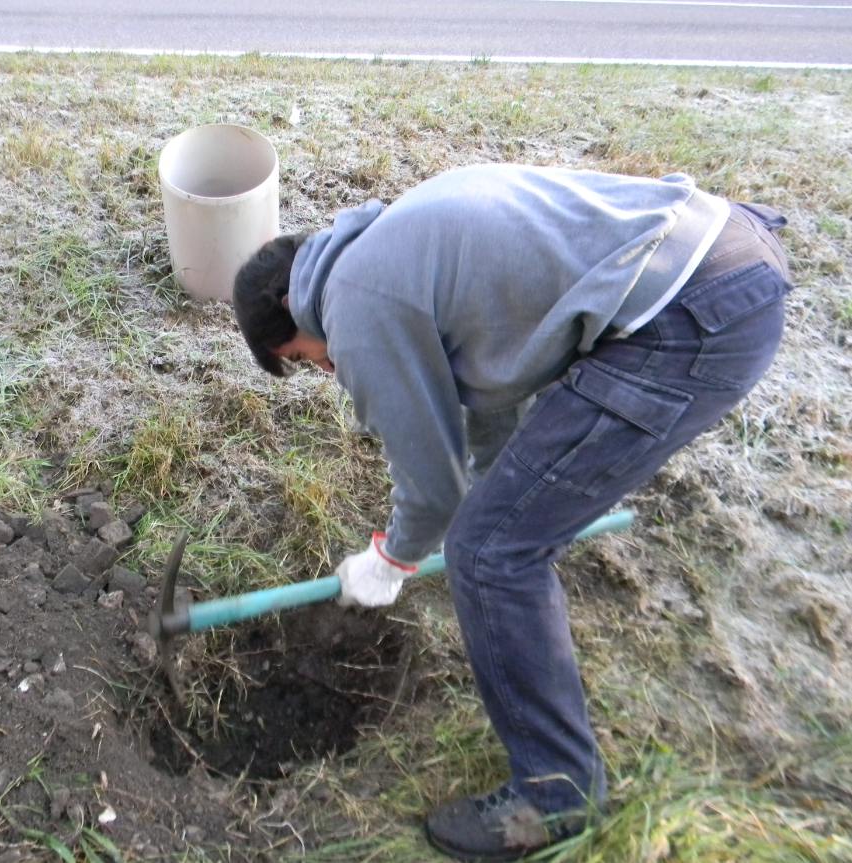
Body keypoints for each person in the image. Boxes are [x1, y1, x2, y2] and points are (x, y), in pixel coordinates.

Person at [231, 163, 792, 862]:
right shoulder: (393, 247)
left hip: (687, 317)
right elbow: (489, 408)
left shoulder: (353, 302)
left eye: (304, 358)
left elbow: (431, 488)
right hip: (723, 253)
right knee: (499, 531)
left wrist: (392, 557)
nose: (329, 369)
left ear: (292, 303)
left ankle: (557, 799)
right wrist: (502, 498)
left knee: (488, 554)